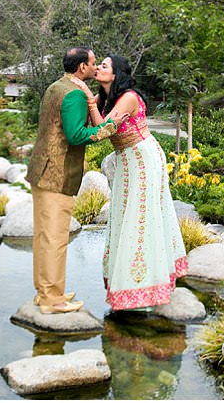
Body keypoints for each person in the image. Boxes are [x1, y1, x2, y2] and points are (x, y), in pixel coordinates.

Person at [75, 54, 188, 311]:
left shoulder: (128, 97)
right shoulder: (105, 98)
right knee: (125, 215)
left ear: (116, 74)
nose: (99, 68)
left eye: (104, 66)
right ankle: (132, 283)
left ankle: (147, 285)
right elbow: (91, 125)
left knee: (140, 216)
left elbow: (104, 130)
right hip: (126, 159)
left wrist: (88, 100)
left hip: (143, 157)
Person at [27, 47, 123, 314]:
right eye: (93, 63)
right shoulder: (74, 95)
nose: (95, 68)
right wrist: (107, 129)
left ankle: (45, 291)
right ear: (82, 67)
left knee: (44, 236)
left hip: (41, 170)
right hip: (56, 175)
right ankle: (52, 300)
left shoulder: (57, 86)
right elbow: (76, 135)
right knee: (55, 238)